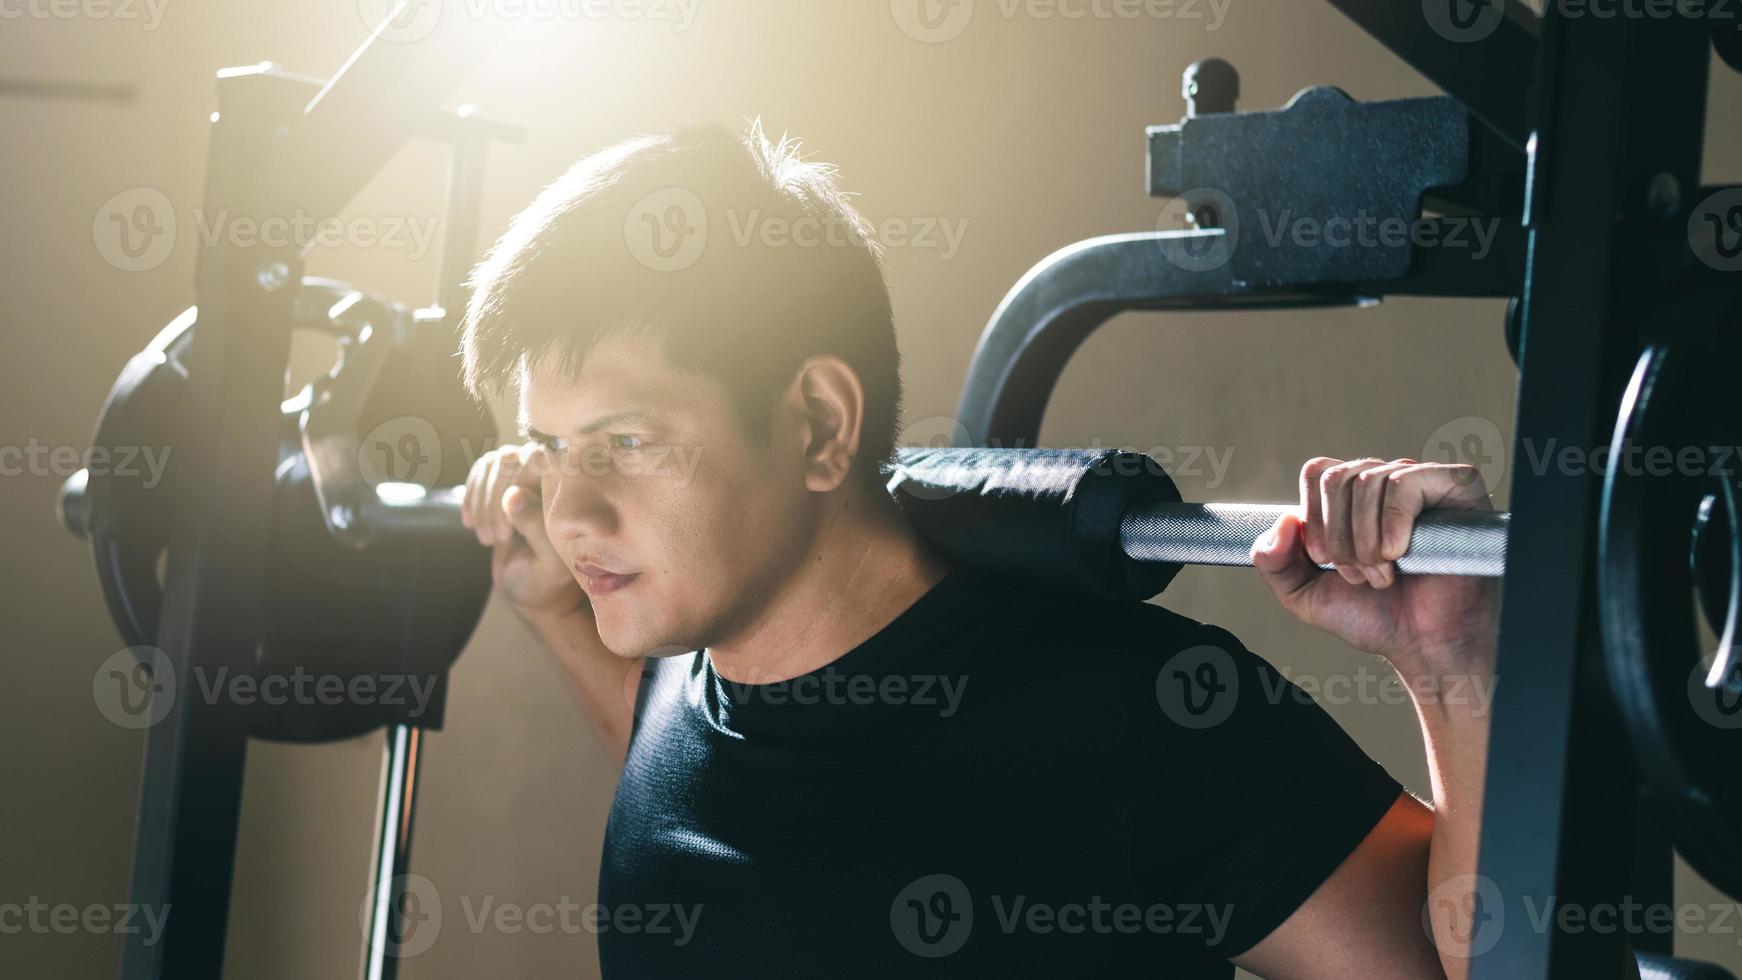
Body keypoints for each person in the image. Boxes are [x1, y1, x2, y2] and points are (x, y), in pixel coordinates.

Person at [457, 118, 1501, 978]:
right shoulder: (687, 668)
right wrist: (555, 607)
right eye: (548, 450)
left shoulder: (1132, 713)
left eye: (626, 442)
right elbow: (727, 824)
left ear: (818, 423)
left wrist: (1451, 663)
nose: (569, 514)